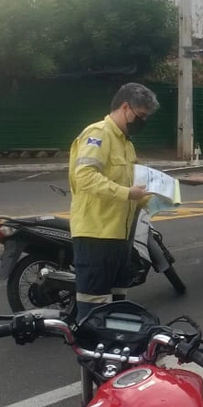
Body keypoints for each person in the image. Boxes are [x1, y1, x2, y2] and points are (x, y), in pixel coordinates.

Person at [69, 82, 159, 319]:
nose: (142, 121)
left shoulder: (126, 144)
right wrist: (128, 193)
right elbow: (85, 178)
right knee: (94, 307)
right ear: (125, 107)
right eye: (140, 115)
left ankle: (112, 353)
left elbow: (133, 186)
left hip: (120, 237)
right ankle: (90, 355)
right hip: (96, 236)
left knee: (116, 307)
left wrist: (153, 200)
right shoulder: (98, 134)